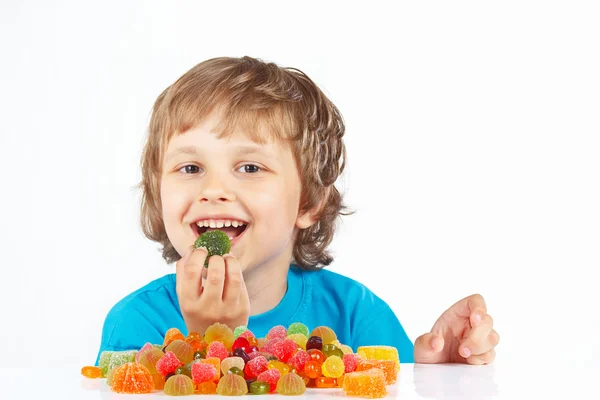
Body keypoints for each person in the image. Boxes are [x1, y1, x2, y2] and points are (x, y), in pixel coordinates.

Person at [95, 56, 499, 366]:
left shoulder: (354, 313)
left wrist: (438, 375)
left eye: (250, 167)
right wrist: (210, 343)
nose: (213, 189)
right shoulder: (136, 327)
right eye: (191, 168)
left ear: (307, 202)